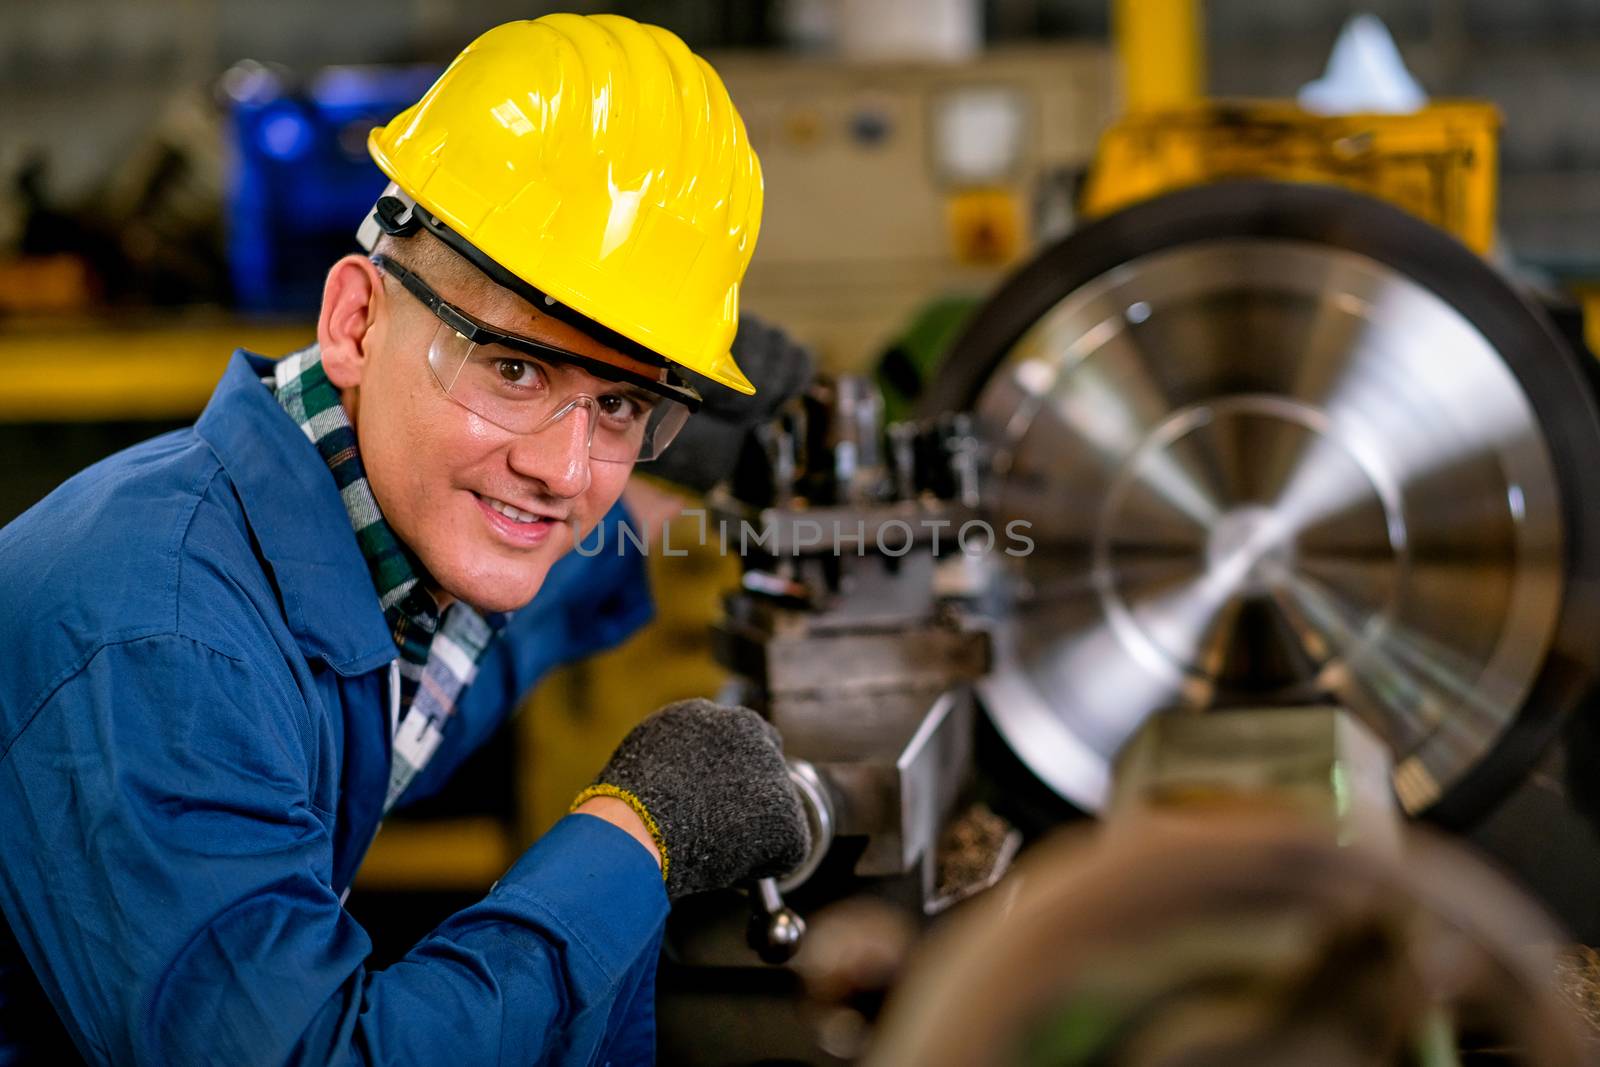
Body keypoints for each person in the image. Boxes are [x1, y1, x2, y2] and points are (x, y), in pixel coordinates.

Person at [0, 14, 813, 1066]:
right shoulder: (162, 644)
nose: (566, 469)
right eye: (514, 368)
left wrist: (655, 493)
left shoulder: (341, 539)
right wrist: (637, 835)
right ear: (355, 320)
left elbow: (435, 663)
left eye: (621, 406)